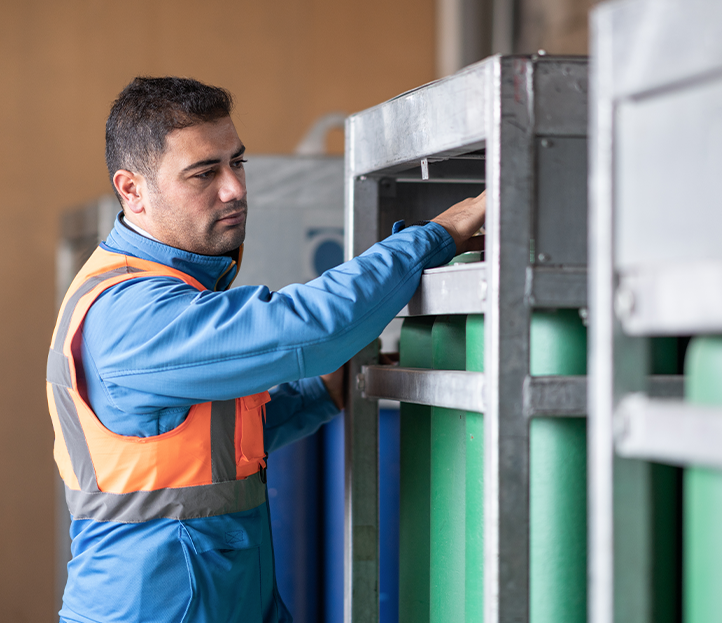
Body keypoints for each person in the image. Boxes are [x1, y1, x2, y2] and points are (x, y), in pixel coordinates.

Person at [47, 76, 486, 623]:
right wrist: (435, 235)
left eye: (237, 163)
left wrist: (320, 393)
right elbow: (308, 329)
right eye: (204, 173)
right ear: (132, 190)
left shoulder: (172, 288)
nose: (234, 188)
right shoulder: (130, 313)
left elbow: (206, 446)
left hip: (225, 597)